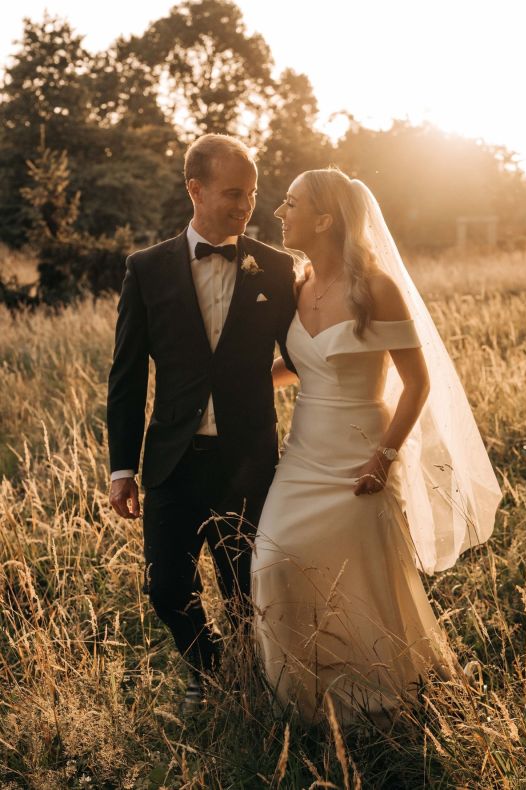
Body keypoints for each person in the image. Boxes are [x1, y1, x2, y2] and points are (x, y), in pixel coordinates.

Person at [251, 167, 502, 725]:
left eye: (290, 203)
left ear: (325, 218)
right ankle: (304, 703)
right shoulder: (295, 286)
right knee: (273, 562)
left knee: (363, 573)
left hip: (361, 449)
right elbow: (298, 366)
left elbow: (417, 382)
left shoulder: (376, 289)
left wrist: (384, 457)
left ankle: (382, 697)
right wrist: (232, 383)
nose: (278, 213)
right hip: (304, 453)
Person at [106, 133, 297, 714]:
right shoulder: (147, 269)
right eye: (233, 193)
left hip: (248, 460)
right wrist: (121, 468)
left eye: (253, 194)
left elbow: (304, 355)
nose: (246, 206)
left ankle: (249, 683)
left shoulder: (279, 269)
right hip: (171, 461)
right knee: (166, 588)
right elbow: (127, 374)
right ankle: (205, 668)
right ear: (195, 188)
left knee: (245, 591)